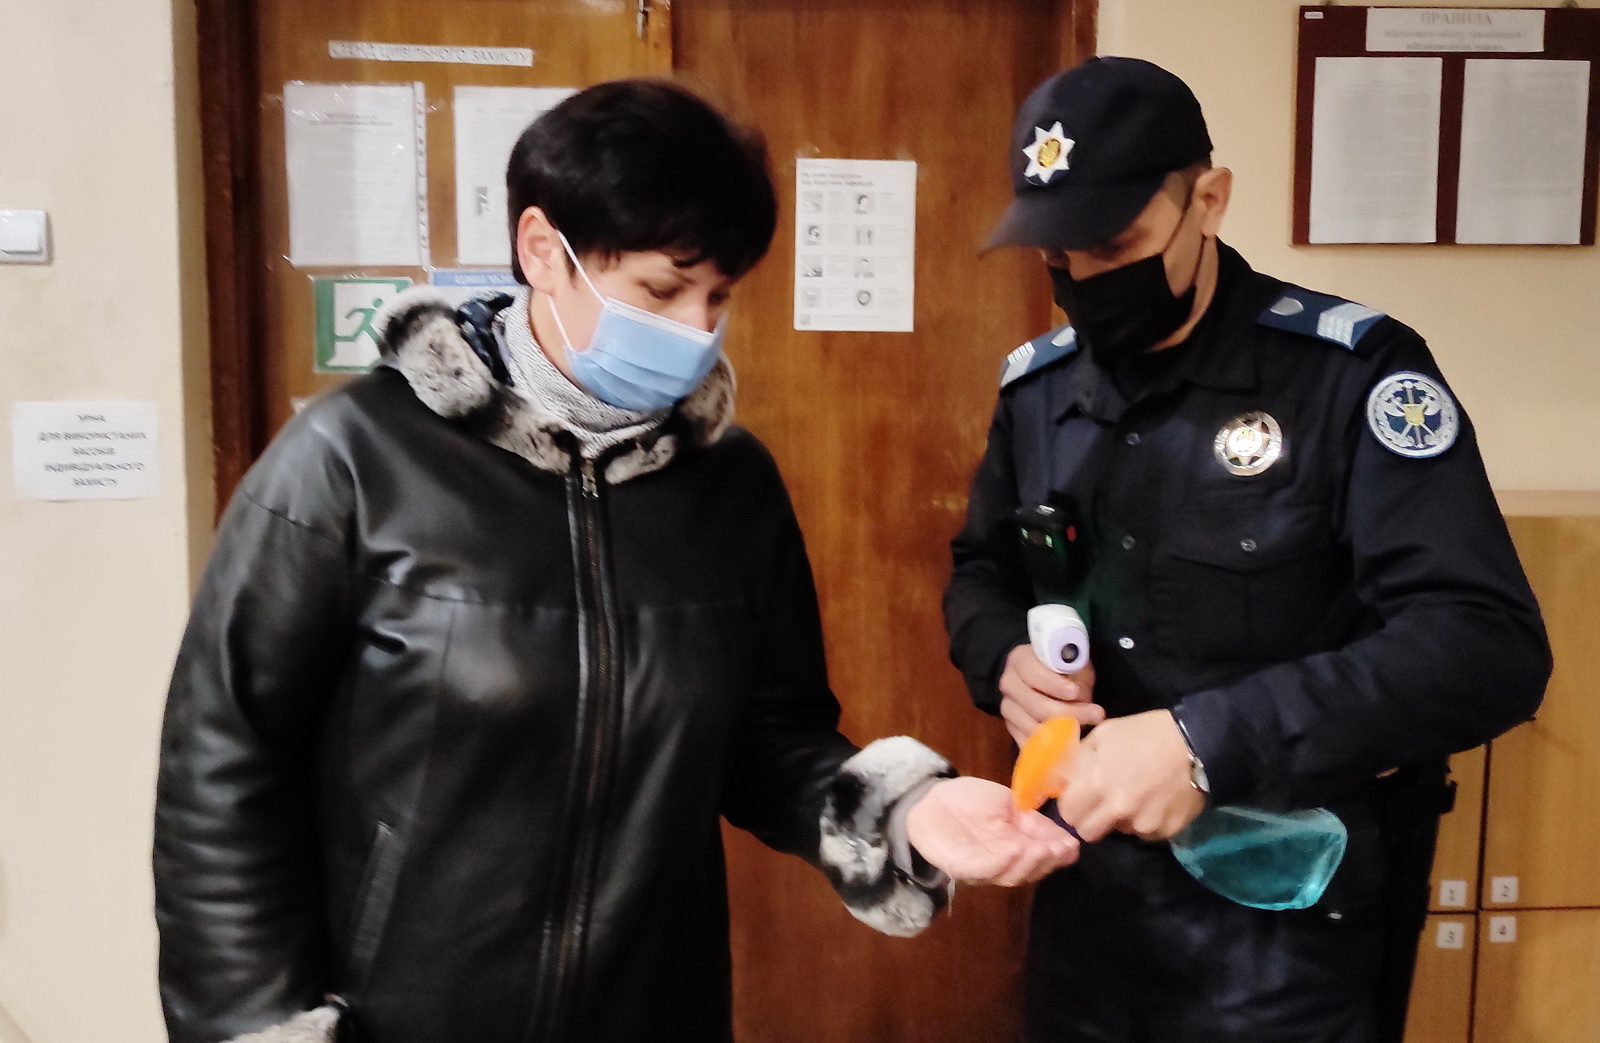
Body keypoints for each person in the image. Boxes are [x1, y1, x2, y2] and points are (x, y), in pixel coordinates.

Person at [154, 79, 1076, 1043]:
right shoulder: (355, 458)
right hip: (404, 1017)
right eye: (661, 291)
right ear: (542, 250)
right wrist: (255, 1020)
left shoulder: (732, 486)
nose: (696, 329)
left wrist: (907, 812)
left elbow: (769, 739)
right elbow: (225, 759)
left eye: (718, 296)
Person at [943, 57, 1551, 1043]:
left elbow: (1485, 644)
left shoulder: (1350, 376)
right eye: (1059, 256)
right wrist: (1001, 659)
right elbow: (982, 570)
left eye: (1114, 243)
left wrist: (1202, 741)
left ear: (1209, 200)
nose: (1085, 282)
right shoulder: (1040, 392)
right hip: (1087, 901)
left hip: (1287, 915)